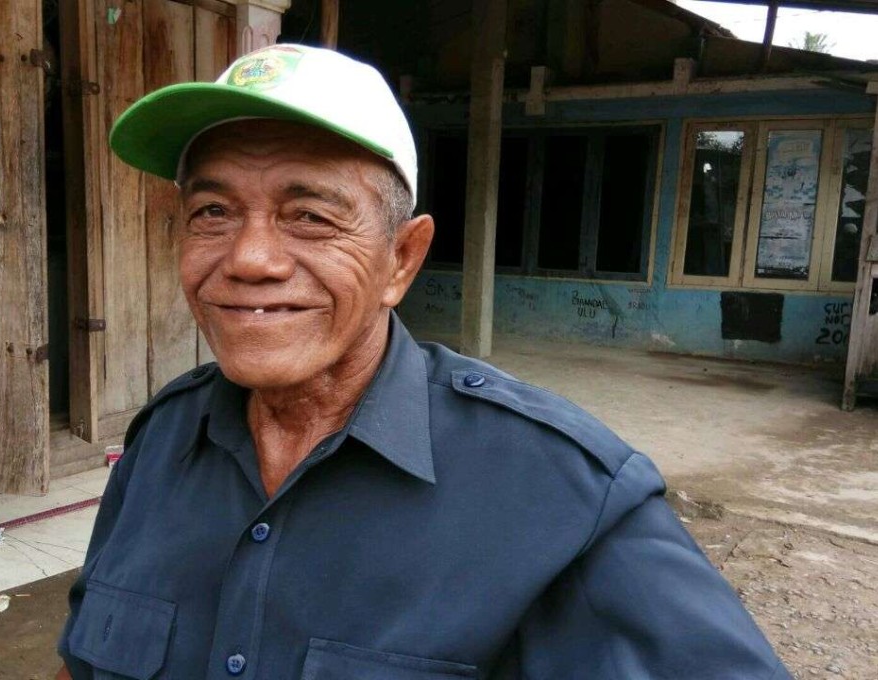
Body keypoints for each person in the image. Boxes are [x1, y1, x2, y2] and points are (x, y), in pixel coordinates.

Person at [57, 44, 790, 679]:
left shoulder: (560, 491)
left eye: (309, 216)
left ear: (401, 260)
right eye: (212, 213)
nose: (248, 259)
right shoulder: (160, 443)